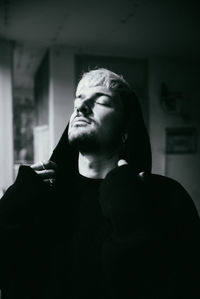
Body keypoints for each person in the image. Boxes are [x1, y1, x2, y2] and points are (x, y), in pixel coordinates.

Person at [0, 68, 200, 299]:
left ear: (126, 128)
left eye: (102, 101)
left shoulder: (165, 197)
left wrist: (127, 206)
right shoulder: (40, 195)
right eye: (79, 99)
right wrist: (12, 205)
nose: (80, 107)